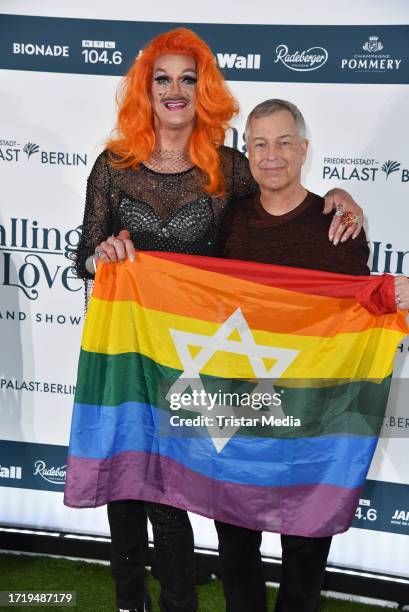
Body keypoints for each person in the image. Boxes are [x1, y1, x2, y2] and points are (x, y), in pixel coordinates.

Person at [69, 28, 366, 612]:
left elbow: (280, 206)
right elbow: (84, 255)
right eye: (163, 78)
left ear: (202, 90)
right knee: (139, 489)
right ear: (145, 89)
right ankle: (134, 600)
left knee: (181, 490)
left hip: (215, 368)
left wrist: (341, 195)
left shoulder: (225, 167)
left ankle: (181, 599)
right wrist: (101, 256)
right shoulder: (114, 165)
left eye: (188, 78)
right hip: (136, 351)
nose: (175, 90)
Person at [217, 98, 409, 612]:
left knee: (304, 546)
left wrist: (392, 293)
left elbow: (355, 316)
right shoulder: (227, 221)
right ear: (248, 152)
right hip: (240, 406)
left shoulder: (338, 225)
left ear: (304, 150)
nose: (271, 155)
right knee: (235, 542)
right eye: (259, 144)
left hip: (312, 411)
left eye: (283, 142)